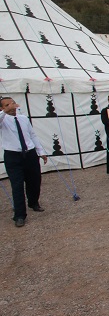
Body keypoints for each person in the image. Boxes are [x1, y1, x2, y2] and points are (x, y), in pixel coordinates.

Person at [0, 97, 47, 227]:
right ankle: (19, 215)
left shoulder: (23, 118)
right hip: (13, 156)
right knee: (17, 185)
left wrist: (41, 151)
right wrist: (5, 112)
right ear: (2, 108)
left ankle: (33, 202)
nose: (11, 106)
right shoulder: (3, 120)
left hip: (30, 153)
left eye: (12, 103)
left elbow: (32, 135)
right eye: (7, 105)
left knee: (35, 180)